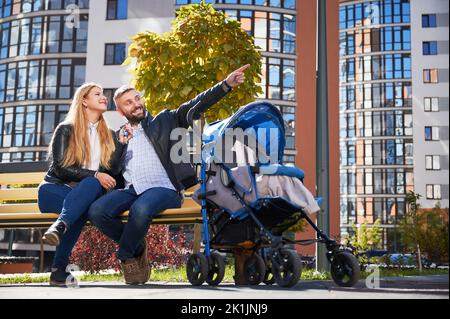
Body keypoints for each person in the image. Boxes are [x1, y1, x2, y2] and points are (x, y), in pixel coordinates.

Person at [88, 65, 250, 285]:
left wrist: (226, 85)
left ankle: (126, 256)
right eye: (129, 103)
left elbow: (195, 105)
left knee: (141, 209)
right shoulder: (120, 136)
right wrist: (120, 146)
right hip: (132, 189)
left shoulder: (165, 121)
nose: (136, 104)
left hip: (165, 188)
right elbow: (110, 172)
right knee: (97, 211)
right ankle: (137, 245)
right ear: (121, 111)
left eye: (137, 99)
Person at [37, 83, 131, 287]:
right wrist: (96, 175)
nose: (103, 97)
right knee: (86, 193)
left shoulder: (110, 134)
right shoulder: (66, 129)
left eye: (103, 94)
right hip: (53, 189)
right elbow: (61, 168)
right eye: (97, 94)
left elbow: (112, 171)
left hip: (84, 194)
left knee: (84, 199)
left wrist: (121, 145)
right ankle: (58, 267)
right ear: (84, 101)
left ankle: (59, 236)